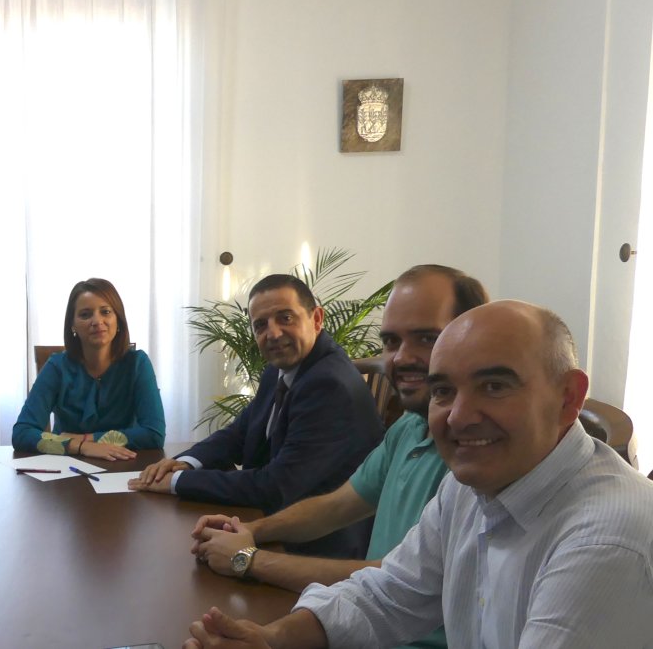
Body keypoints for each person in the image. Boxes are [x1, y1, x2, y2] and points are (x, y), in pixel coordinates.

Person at [184, 301, 653, 649]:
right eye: (443, 390)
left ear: (568, 398)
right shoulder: (471, 485)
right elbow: (390, 594)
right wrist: (273, 639)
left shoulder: (605, 540)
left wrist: (251, 558)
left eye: (494, 385)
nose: (459, 417)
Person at [190, 265, 487, 649]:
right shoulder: (409, 428)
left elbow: (401, 579)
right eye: (392, 342)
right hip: (363, 621)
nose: (401, 358)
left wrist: (248, 559)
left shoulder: (476, 455)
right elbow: (338, 505)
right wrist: (250, 533)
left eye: (427, 338)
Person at [131, 274, 383, 558]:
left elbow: (275, 486)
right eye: (260, 325)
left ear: (316, 319)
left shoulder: (328, 384)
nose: (273, 334)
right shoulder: (280, 368)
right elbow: (239, 433)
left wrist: (177, 484)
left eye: (285, 318)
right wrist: (184, 464)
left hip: (316, 549)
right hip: (272, 523)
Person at [13, 277, 165, 460]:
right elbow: (22, 433)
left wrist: (89, 439)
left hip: (123, 468)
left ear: (118, 320)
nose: (97, 321)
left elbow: (154, 434)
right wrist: (81, 447)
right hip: (66, 472)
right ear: (73, 326)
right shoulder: (57, 367)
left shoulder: (138, 363)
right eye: (85, 314)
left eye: (106, 312)